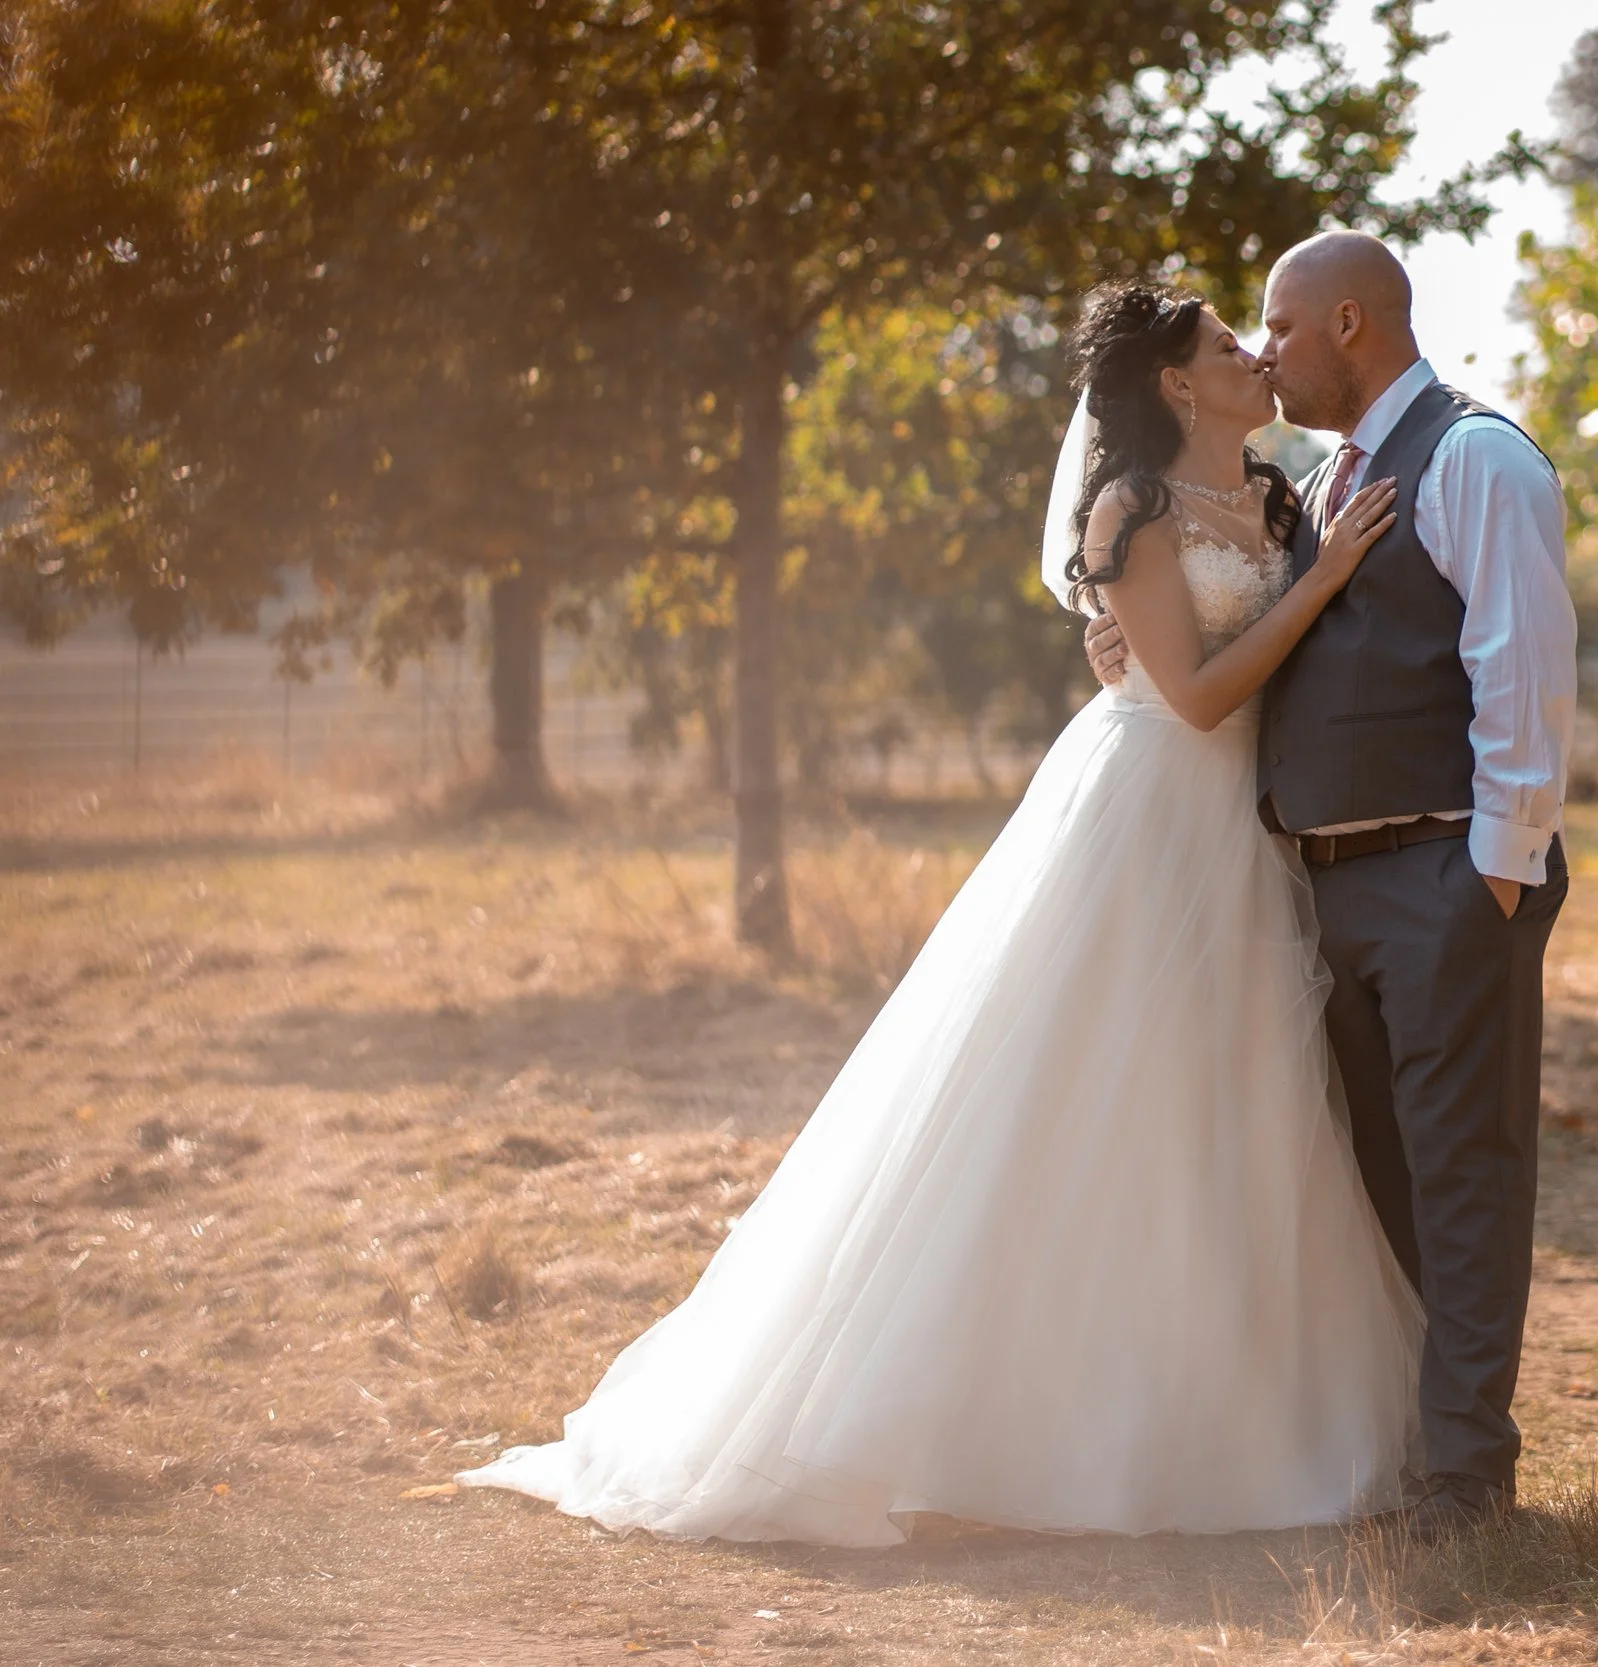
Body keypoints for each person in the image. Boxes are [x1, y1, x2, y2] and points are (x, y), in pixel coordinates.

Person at [457, 279, 1422, 1546]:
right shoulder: (1129, 508)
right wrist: (1317, 585)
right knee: (1081, 1098)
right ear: (1178, 383)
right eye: (1230, 345)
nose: (1257, 356)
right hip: (1146, 820)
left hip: (1250, 831)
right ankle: (988, 1430)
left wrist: (1321, 572)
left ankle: (1229, 1415)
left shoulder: (1287, 499)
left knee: (1232, 1109)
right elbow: (1189, 697)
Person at [1086, 231, 1576, 1537]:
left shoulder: (1476, 457)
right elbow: (1234, 645)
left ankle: (1468, 1477)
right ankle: (1409, 1441)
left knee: (1462, 1169)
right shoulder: (1308, 486)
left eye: (1282, 330)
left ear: (1351, 322)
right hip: (1320, 887)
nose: (1267, 353)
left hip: (1443, 873)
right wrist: (1122, 641)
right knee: (1376, 1181)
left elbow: (1524, 676)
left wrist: (1500, 876)